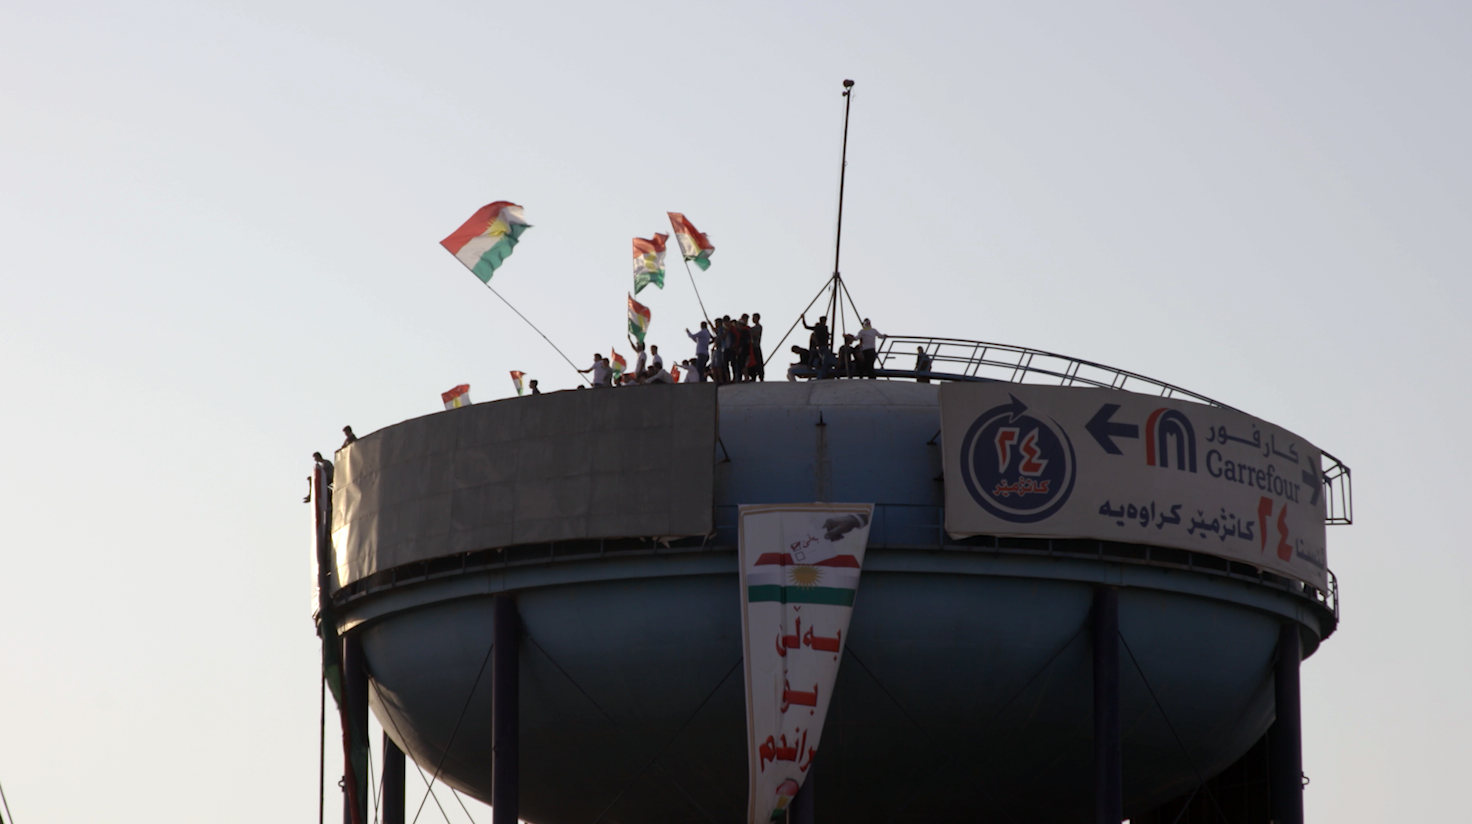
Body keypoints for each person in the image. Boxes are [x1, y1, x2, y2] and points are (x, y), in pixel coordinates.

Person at [749, 313, 765, 381]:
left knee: (758, 361)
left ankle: (761, 376)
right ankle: (753, 376)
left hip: (756, 346)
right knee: (753, 362)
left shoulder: (758, 327)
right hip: (752, 347)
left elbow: (753, 334)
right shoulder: (752, 328)